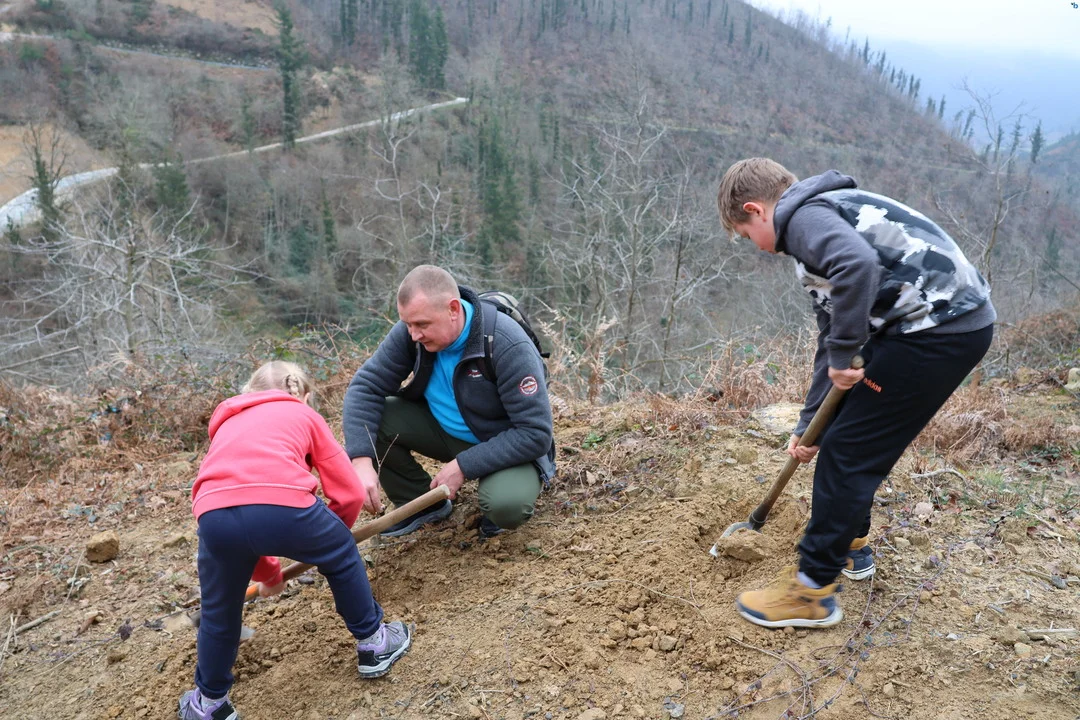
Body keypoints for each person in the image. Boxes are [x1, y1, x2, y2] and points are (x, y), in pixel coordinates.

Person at [716, 158, 995, 629]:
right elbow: (832, 339)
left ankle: (811, 592)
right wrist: (810, 425)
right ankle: (850, 544)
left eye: (747, 235)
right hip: (925, 328)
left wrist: (846, 353)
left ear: (756, 210)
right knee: (842, 435)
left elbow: (857, 267)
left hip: (937, 332)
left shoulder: (803, 220)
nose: (757, 246)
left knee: (847, 453)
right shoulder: (825, 214)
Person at [178, 361, 411, 720]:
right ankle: (374, 643)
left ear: (248, 394)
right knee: (341, 552)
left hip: (213, 515)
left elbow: (243, 513)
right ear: (303, 395)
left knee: (218, 610)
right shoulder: (303, 414)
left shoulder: (227, 423)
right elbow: (349, 493)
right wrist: (331, 542)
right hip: (284, 505)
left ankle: (208, 704)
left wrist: (268, 575)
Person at [343, 265, 555, 539]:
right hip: (444, 432)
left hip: (503, 442)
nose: (414, 335)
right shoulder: (412, 333)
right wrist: (361, 461)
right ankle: (420, 505)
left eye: (422, 325)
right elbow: (365, 387)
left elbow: (535, 433)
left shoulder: (505, 343)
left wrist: (464, 465)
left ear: (453, 309)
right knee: (377, 419)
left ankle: (505, 496)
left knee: (506, 507)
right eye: (408, 324)